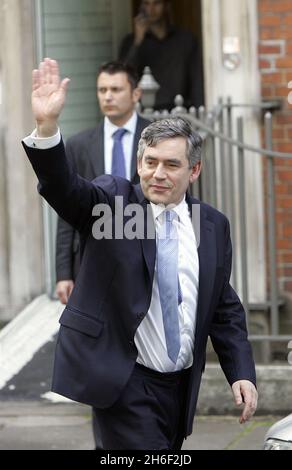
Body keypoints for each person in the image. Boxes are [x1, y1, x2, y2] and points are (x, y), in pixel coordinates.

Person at [23, 58, 258, 450]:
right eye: (150, 163)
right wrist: (47, 129)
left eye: (171, 165)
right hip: (125, 382)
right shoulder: (116, 204)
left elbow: (223, 306)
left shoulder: (211, 224)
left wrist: (241, 372)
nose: (158, 174)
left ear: (194, 170)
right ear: (138, 163)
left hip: (180, 389)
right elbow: (66, 190)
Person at [56, 61, 150, 305]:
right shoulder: (79, 145)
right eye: (102, 90)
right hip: (91, 259)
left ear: (136, 94)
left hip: (146, 254)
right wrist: (63, 273)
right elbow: (67, 210)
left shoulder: (156, 137)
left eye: (116, 90)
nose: (108, 97)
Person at [119, 0, 204, 110]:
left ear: (166, 6)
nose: (151, 9)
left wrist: (198, 112)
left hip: (180, 110)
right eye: (146, 4)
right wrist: (137, 42)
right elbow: (123, 77)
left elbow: (196, 82)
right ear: (141, 7)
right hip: (146, 112)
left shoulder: (185, 40)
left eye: (156, 3)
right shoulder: (131, 42)